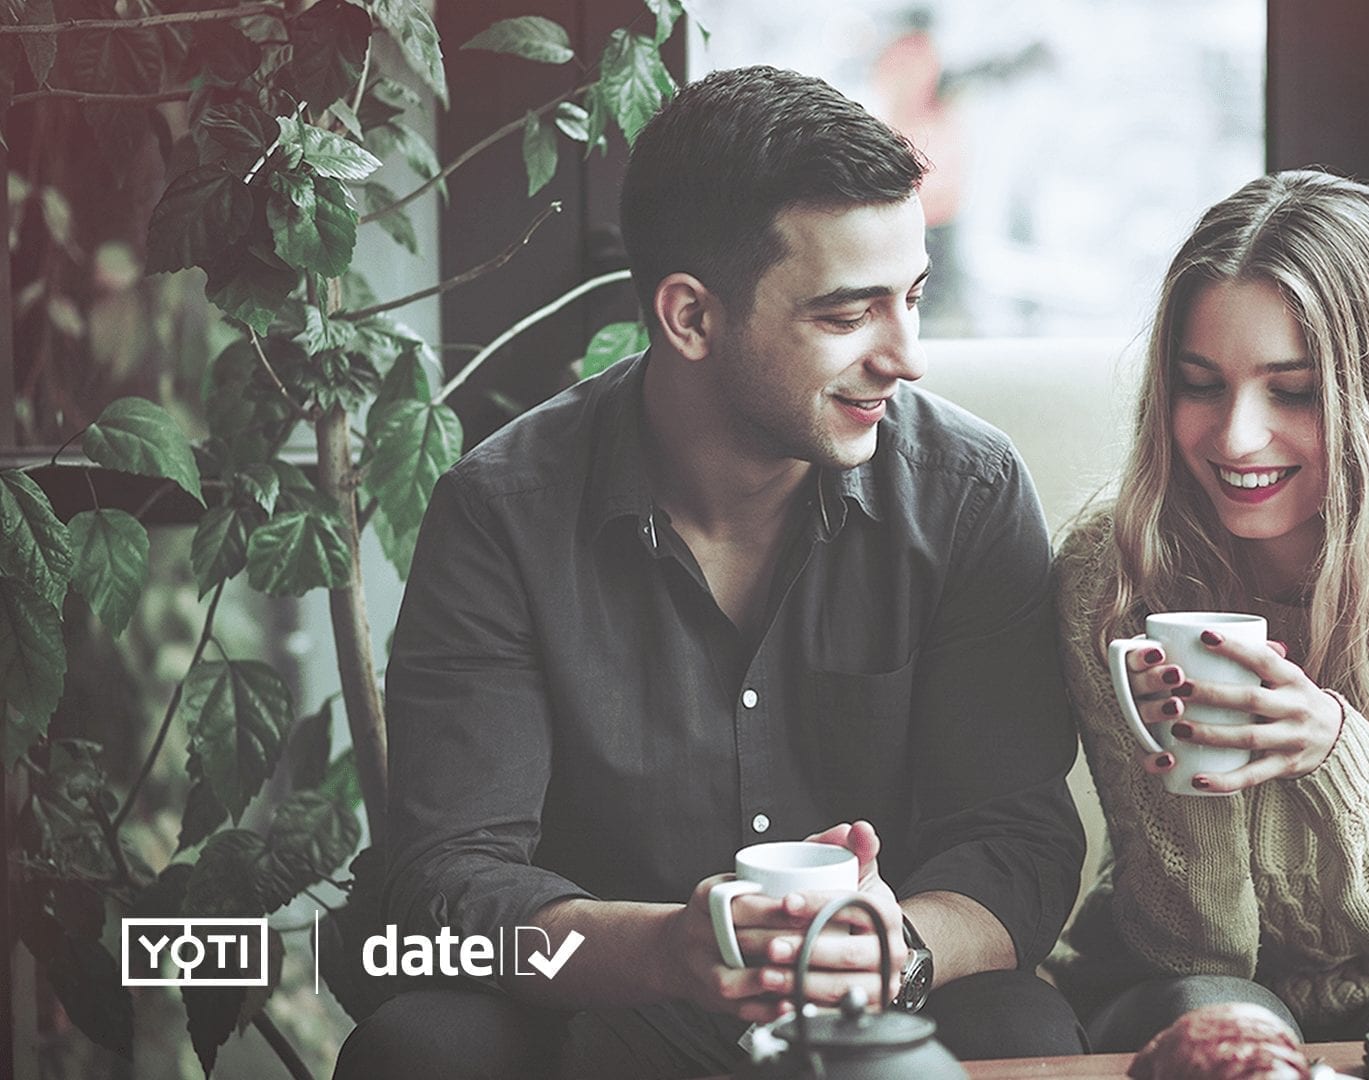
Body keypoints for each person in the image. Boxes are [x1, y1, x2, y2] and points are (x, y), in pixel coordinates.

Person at [335, 65, 1087, 1078]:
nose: (906, 356)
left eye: (911, 298)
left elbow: (1017, 842)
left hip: (874, 1022)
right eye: (845, 315)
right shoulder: (501, 512)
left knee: (1019, 1032)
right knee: (422, 1047)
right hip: (601, 1018)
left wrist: (893, 950)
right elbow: (448, 887)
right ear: (690, 318)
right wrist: (667, 950)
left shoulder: (969, 492)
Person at [1044, 169, 1369, 1051]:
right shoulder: (1116, 568)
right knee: (1226, 1018)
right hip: (1169, 987)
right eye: (1199, 384)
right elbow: (1188, 944)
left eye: (1294, 391)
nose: (1236, 436)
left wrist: (1334, 751)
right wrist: (1201, 770)